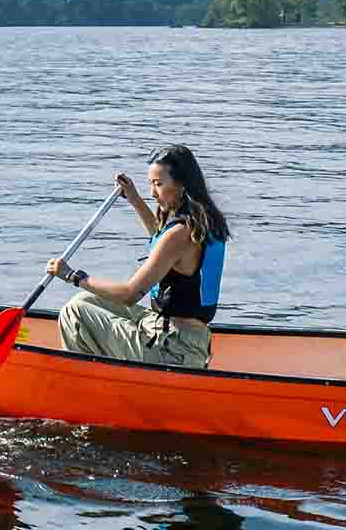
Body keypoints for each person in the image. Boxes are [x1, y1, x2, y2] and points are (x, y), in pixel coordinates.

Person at [48, 144, 231, 368]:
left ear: (181, 184)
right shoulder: (203, 220)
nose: (153, 192)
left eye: (158, 184)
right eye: (150, 184)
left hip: (174, 348)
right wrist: (134, 199)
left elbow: (129, 294)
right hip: (179, 334)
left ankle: (91, 381)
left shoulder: (179, 235)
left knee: (74, 311)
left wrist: (74, 276)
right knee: (85, 300)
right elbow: (160, 239)